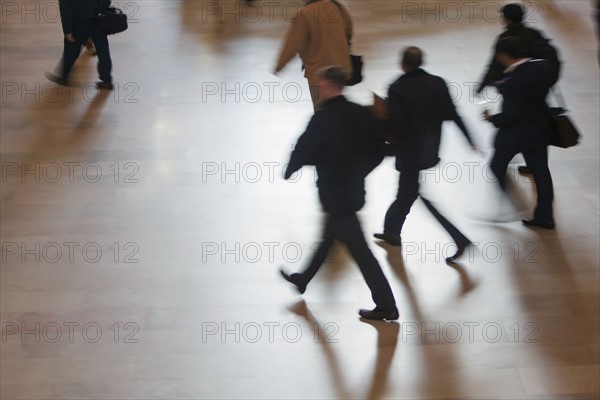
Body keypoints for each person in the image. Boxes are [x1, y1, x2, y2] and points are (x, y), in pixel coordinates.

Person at [279, 66, 399, 321]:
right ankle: (303, 278)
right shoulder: (359, 113)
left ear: (329, 87)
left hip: (336, 195)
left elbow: (305, 148)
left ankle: (386, 304)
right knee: (329, 236)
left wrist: (291, 169)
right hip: (352, 190)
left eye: (320, 85)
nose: (318, 89)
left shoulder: (323, 118)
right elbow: (379, 148)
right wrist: (360, 171)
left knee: (361, 253)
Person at [373, 46, 475, 264]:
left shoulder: (397, 88)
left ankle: (459, 238)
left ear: (403, 64)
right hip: (429, 148)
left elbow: (397, 125)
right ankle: (391, 232)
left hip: (409, 151)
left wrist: (381, 132)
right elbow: (453, 114)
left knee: (411, 194)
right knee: (407, 194)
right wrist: (470, 139)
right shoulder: (437, 83)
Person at [477, 3, 561, 175]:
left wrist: (482, 85)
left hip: (513, 90)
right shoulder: (534, 34)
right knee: (536, 124)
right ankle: (535, 164)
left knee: (510, 122)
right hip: (538, 90)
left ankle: (502, 159)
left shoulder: (506, 38)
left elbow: (494, 65)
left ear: (506, 19)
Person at [483, 37, 555, 230]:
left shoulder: (514, 82)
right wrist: (503, 85)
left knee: (497, 165)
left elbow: (511, 115)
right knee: (541, 172)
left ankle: (514, 206)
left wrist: (492, 118)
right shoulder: (541, 67)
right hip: (539, 130)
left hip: (517, 134)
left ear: (506, 56)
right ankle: (545, 217)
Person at [274, 0, 352, 108]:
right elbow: (349, 32)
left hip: (320, 73)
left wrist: (279, 65)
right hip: (341, 71)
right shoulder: (338, 7)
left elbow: (292, 45)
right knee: (339, 107)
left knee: (322, 111)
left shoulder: (304, 15)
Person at [46, 0, 114, 90]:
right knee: (103, 50)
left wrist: (68, 30)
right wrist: (101, 9)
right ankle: (107, 80)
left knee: (71, 49)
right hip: (98, 20)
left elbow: (66, 9)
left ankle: (63, 76)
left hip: (79, 22)